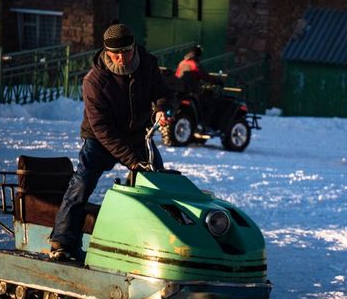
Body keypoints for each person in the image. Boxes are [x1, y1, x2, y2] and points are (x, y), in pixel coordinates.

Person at [49, 22, 176, 262]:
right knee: (82, 183)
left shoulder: (147, 64)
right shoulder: (94, 81)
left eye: (126, 52)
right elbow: (103, 129)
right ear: (106, 52)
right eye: (114, 54)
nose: (120, 58)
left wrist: (162, 108)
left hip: (137, 135)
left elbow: (164, 92)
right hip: (100, 139)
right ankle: (62, 241)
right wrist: (132, 160)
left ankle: (162, 243)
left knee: (160, 183)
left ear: (134, 48)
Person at [175, 45, 222, 127]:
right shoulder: (194, 64)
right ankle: (204, 125)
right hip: (193, 92)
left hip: (180, 91)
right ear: (198, 54)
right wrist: (217, 80)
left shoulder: (182, 62)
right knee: (211, 104)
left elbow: (177, 75)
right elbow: (204, 76)